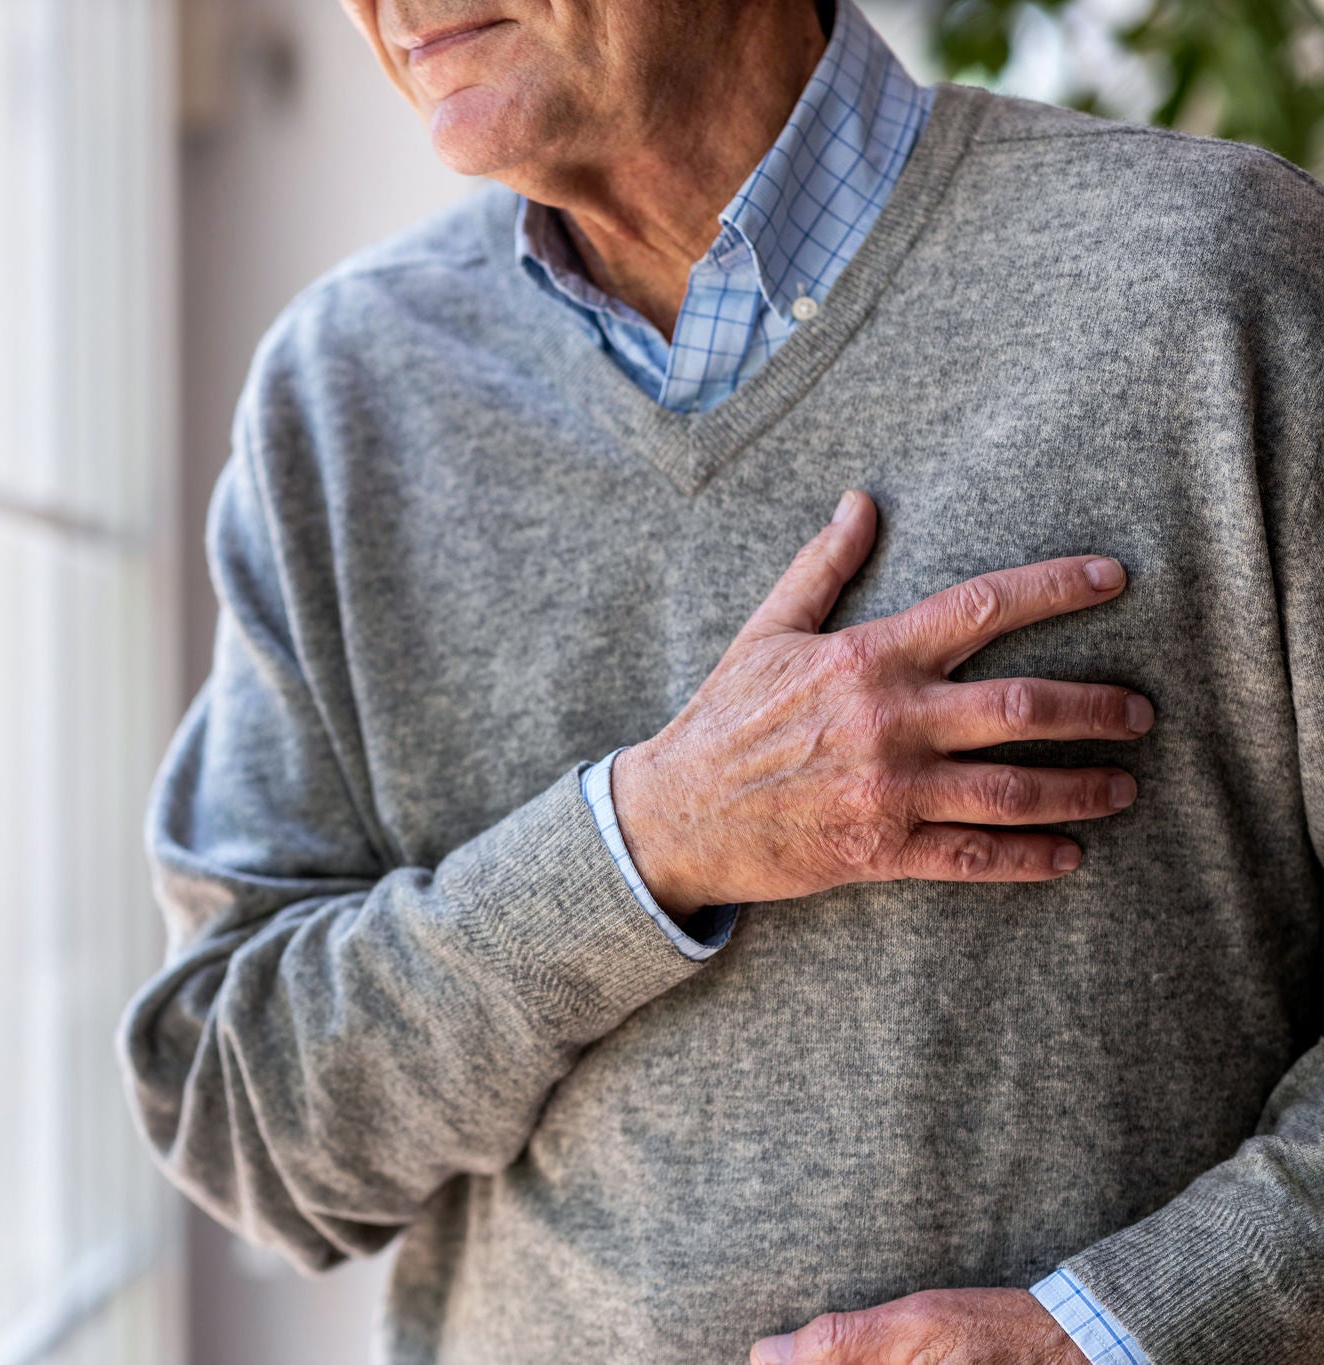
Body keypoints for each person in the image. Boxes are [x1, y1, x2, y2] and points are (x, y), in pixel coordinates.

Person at [118, 0, 1324, 1359]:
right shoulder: (341, 395)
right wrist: (645, 840)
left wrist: (1117, 1332)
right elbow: (243, 1124)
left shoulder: (1220, 282)